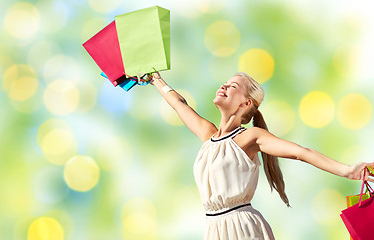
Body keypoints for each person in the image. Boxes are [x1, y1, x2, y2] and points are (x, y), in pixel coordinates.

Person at [147, 71, 374, 240]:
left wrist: (348, 171)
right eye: (225, 83)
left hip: (242, 228)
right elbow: (178, 104)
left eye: (232, 85)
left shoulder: (250, 137)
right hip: (214, 228)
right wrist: (155, 78)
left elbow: (300, 153)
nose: (223, 86)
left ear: (245, 103)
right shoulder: (208, 136)